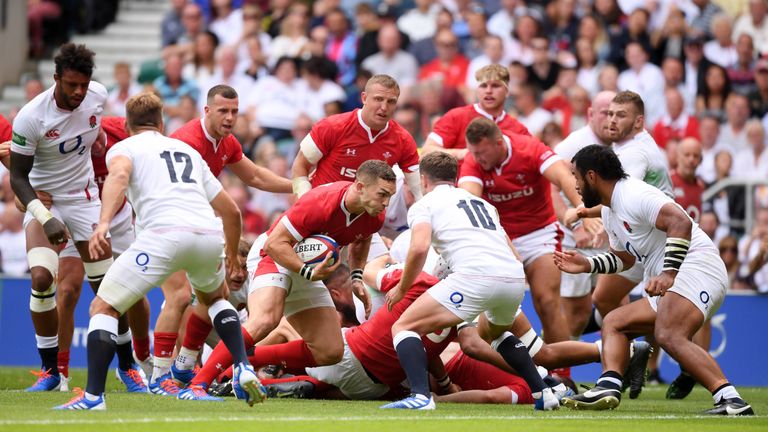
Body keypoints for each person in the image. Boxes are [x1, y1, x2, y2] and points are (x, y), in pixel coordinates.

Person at [53, 93, 264, 410]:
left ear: (126, 125)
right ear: (162, 123)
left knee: (103, 308)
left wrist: (103, 224)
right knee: (215, 299)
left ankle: (94, 396)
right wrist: (232, 255)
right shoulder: (187, 151)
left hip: (163, 234)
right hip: (208, 234)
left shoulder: (124, 147)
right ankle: (243, 367)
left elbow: (120, 177)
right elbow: (232, 212)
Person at [555, 144, 754, 416]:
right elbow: (624, 260)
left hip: (696, 266)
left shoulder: (633, 193)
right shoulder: (610, 211)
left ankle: (731, 400)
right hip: (684, 272)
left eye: (576, 177)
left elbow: (680, 222)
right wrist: (587, 264)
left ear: (591, 176)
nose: (575, 186)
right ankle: (609, 385)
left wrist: (668, 273)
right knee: (614, 322)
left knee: (668, 333)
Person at [186, 160, 397, 395]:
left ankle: (245, 362)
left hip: (304, 267)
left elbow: (362, 238)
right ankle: (197, 385)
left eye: (389, 196)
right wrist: (307, 272)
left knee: (330, 351)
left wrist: (356, 277)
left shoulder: (373, 214)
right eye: (382, 194)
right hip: (274, 255)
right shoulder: (320, 202)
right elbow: (275, 243)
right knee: (266, 320)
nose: (386, 203)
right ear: (359, 187)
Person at [382, 152, 559, 411]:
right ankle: (543, 392)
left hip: (474, 276)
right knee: (496, 334)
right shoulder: (483, 204)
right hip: (513, 277)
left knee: (404, 326)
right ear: (455, 178)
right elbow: (515, 254)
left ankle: (421, 397)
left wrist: (402, 288)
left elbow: (419, 248)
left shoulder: (425, 204)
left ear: (422, 179)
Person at [166, 85, 292, 391]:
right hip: (168, 224)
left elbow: (256, 176)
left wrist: (297, 186)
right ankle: (161, 374)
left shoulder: (227, 143)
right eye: (223, 110)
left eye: (235, 111)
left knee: (210, 295)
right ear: (206, 111)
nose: (230, 117)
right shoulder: (186, 141)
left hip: (198, 225)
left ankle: (181, 367)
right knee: (182, 297)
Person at [9, 43, 118, 392]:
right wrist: (44, 215)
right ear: (55, 78)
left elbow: (92, 129)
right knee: (42, 278)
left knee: (111, 287)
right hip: (45, 202)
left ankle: (130, 366)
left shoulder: (97, 96)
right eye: (72, 85)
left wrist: (98, 140)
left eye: (84, 85)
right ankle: (50, 372)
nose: (78, 92)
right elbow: (17, 177)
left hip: (85, 200)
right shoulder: (31, 116)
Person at [459, 118, 585, 351]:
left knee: (547, 301)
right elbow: (470, 200)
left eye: (482, 153)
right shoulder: (472, 161)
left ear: (499, 143)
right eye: (473, 153)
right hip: (499, 239)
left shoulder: (530, 148)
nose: (478, 159)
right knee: (497, 310)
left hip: (539, 234)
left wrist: (584, 210)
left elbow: (563, 177)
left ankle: (563, 375)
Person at [421, 64, 529, 165]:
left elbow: (535, 158)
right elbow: (426, 152)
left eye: (495, 86)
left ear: (507, 91)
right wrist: (461, 154)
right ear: (477, 90)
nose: (488, 91)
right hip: (458, 183)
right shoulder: (456, 116)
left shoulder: (517, 129)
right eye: (483, 86)